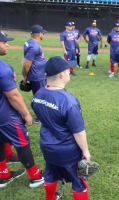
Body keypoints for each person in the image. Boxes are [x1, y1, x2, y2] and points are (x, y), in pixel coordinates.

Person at [31, 56, 91, 200]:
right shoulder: (69, 101)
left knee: (50, 173)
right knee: (78, 181)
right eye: (68, 70)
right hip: (67, 150)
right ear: (61, 75)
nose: (70, 72)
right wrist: (85, 151)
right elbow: (78, 131)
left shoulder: (38, 95)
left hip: (47, 146)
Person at [0, 31, 44, 188]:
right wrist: (26, 114)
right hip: (5, 116)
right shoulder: (3, 68)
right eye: (4, 42)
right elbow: (13, 96)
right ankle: (36, 176)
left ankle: (3, 174)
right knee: (22, 142)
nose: (8, 44)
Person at [22, 25, 48, 123]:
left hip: (38, 75)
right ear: (39, 34)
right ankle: (40, 117)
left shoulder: (29, 42)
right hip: (37, 76)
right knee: (40, 97)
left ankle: (40, 115)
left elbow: (25, 59)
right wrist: (24, 76)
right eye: (43, 33)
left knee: (40, 95)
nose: (43, 34)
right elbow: (26, 65)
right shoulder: (33, 46)